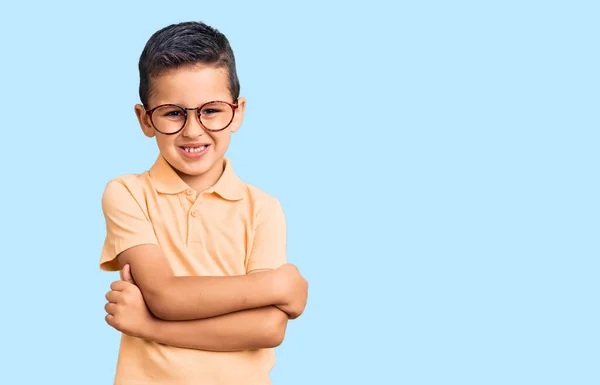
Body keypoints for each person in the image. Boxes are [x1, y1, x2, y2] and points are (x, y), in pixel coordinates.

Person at [99, 21, 309, 385]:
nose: (193, 130)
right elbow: (165, 296)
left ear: (237, 111)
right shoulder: (127, 193)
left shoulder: (263, 209)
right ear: (145, 120)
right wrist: (275, 287)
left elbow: (267, 327)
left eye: (211, 110)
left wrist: (147, 325)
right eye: (173, 112)